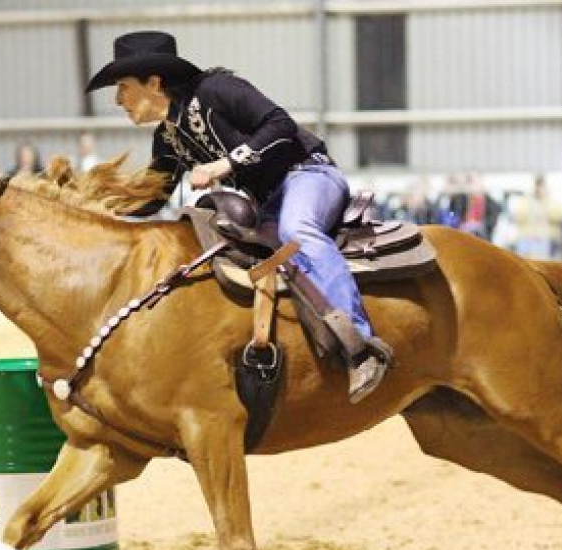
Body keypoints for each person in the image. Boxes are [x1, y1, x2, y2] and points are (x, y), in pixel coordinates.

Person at [85, 31, 391, 402]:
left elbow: (280, 124)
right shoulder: (167, 140)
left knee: (298, 229)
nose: (118, 100)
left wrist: (224, 164)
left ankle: (360, 346)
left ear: (154, 82)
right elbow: (152, 200)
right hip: (267, 205)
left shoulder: (217, 89)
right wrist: (96, 212)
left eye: (123, 87)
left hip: (309, 174)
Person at [509, 174, 562, 259]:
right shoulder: (524, 201)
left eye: (541, 185)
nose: (538, 188)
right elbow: (518, 215)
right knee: (525, 263)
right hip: (526, 238)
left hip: (546, 239)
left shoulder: (551, 202)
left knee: (543, 264)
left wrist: (545, 201)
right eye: (537, 185)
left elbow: (559, 216)